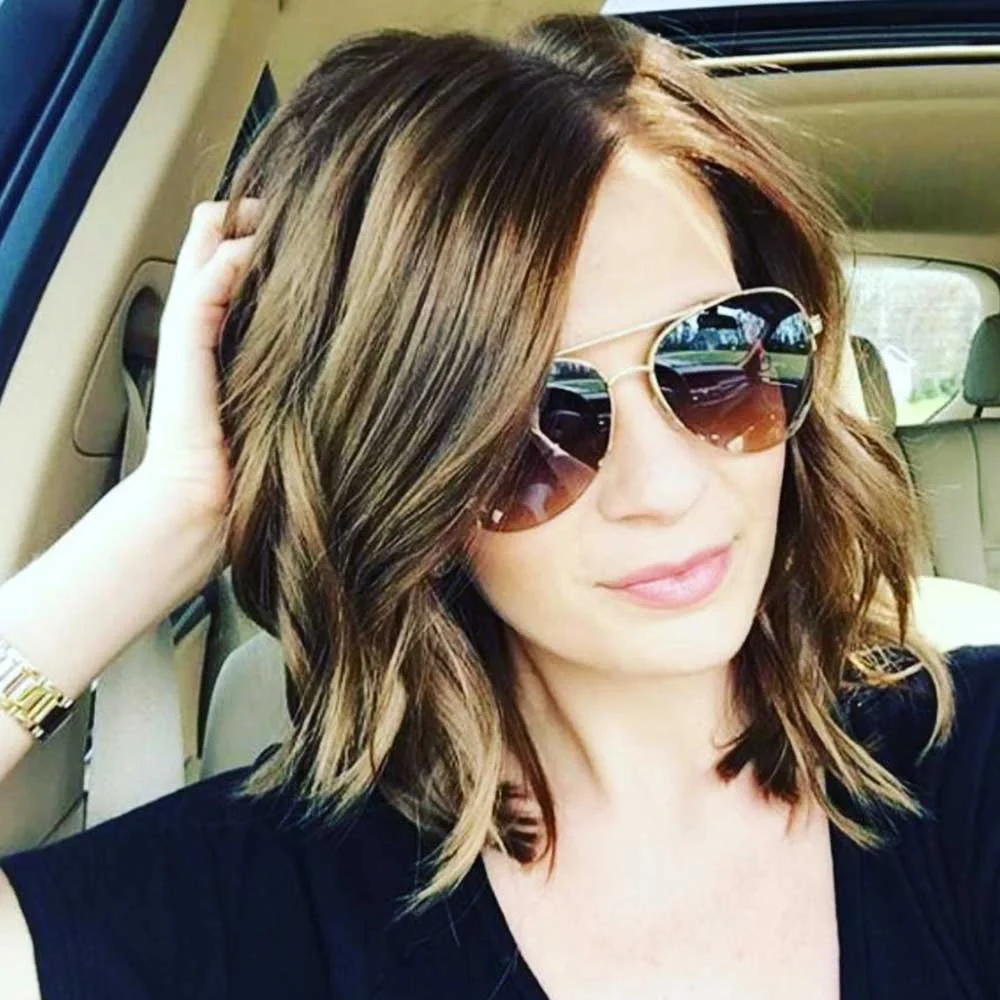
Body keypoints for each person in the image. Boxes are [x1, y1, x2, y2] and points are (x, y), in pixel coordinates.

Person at [0, 14, 998, 1000]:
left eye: (716, 356)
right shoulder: (259, 902)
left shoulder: (968, 764)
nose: (667, 487)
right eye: (533, 428)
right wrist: (166, 519)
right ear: (407, 482)